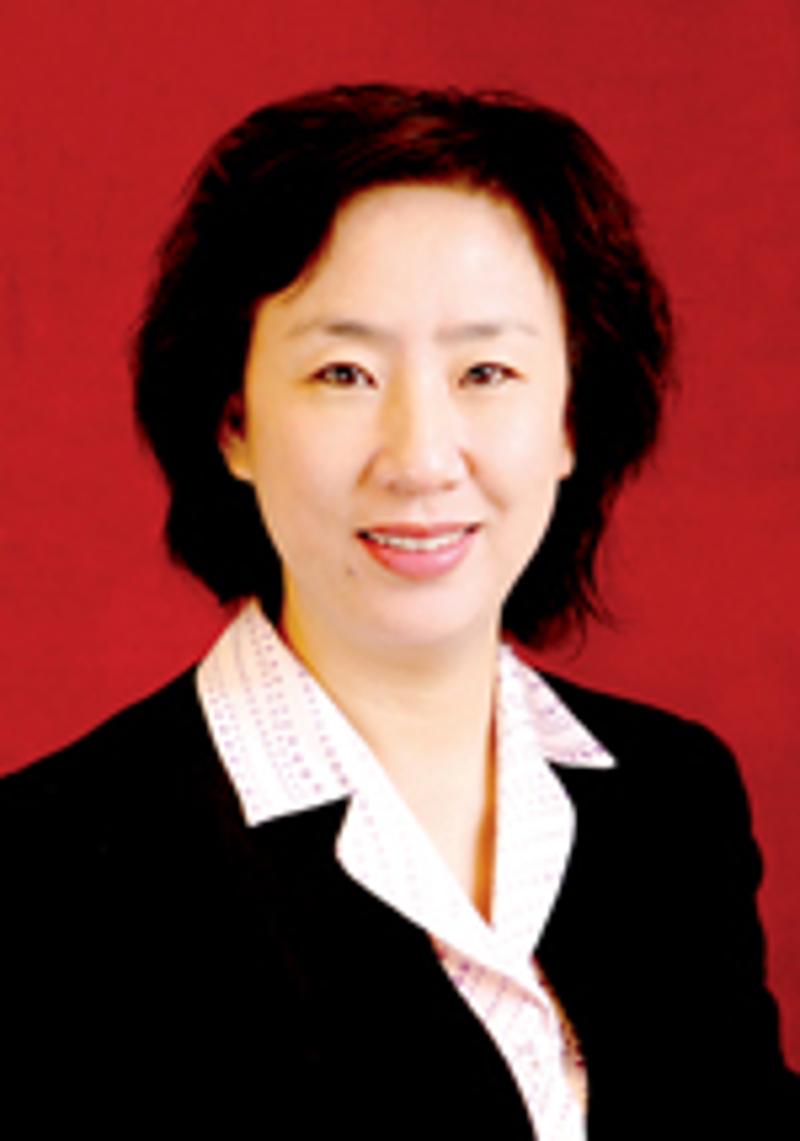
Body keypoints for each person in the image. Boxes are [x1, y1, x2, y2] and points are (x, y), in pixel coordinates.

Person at [2, 84, 797, 1140]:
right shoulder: (47, 867)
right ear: (233, 423)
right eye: (343, 372)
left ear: (570, 419)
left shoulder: (672, 797)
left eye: (486, 371)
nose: (420, 459)